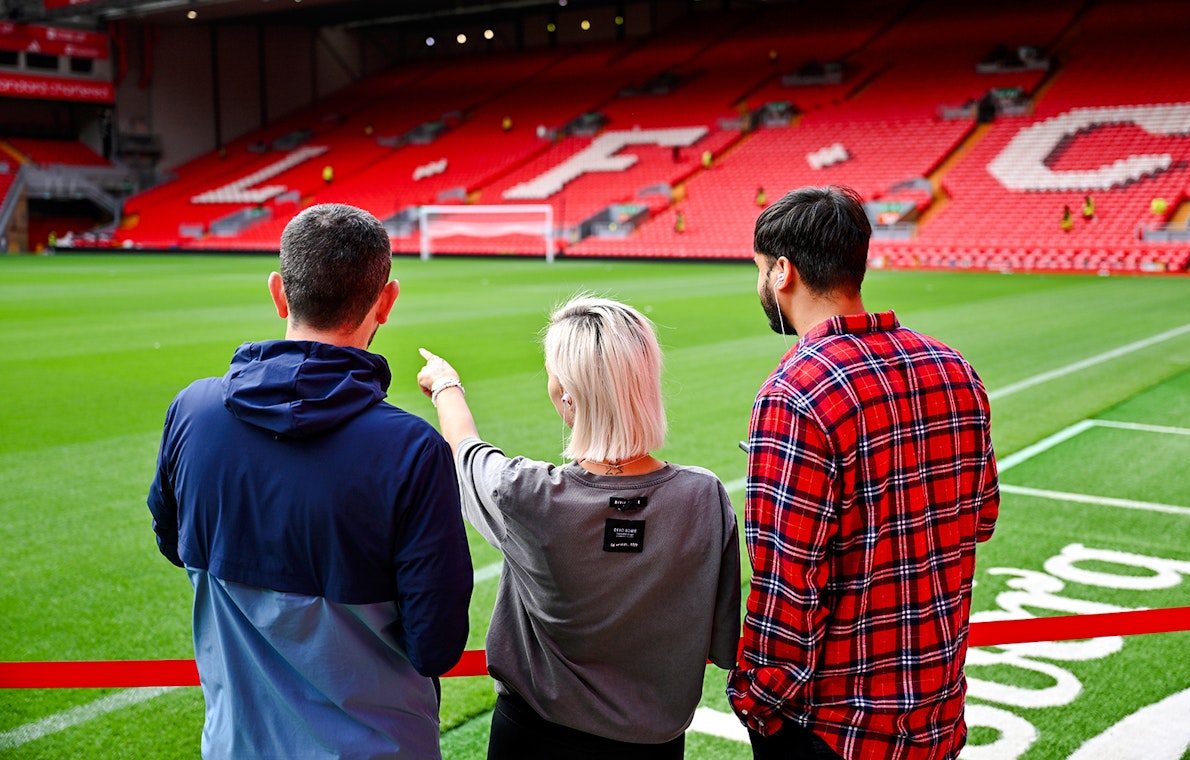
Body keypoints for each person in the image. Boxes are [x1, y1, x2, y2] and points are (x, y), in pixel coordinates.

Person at [147, 203, 474, 760]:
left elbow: (174, 545)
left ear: (278, 292)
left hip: (234, 744)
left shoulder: (191, 412)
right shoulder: (411, 450)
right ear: (386, 301)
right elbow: (436, 645)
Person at [729, 186, 999, 760]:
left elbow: (787, 581)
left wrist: (756, 701)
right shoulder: (955, 370)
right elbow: (980, 520)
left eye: (758, 270)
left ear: (782, 271)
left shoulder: (796, 394)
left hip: (835, 729)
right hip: (938, 715)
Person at [417, 295, 741, 760]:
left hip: (532, 741)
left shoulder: (525, 493)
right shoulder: (704, 497)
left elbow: (466, 452)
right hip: (655, 748)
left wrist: (447, 385)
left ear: (567, 392)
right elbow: (723, 642)